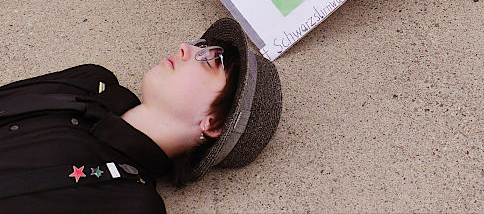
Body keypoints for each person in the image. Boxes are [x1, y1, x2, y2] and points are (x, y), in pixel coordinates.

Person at [0, 18, 282, 213]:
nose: (185, 48)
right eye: (199, 43)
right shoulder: (89, 82)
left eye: (210, 59)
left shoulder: (129, 202)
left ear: (214, 123)